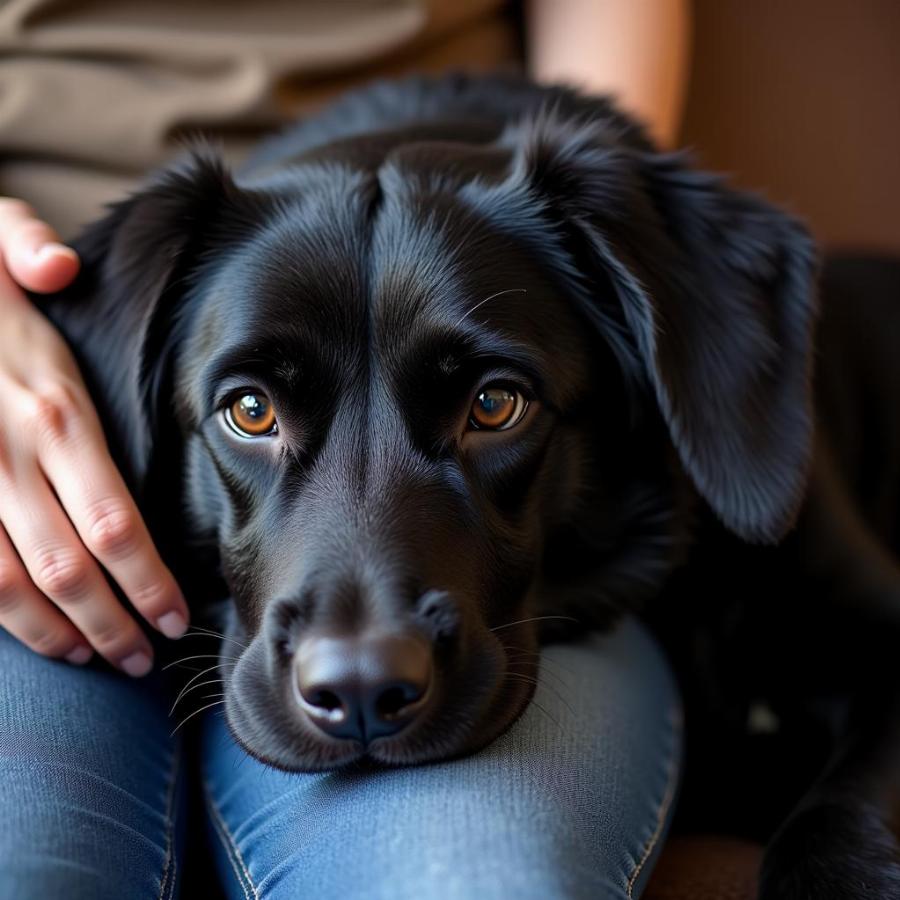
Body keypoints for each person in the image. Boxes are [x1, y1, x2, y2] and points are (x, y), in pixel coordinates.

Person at [0, 2, 689, 897]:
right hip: (44, 375)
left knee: (478, 882)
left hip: (471, 214)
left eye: (491, 407)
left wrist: (584, 232)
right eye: (254, 411)